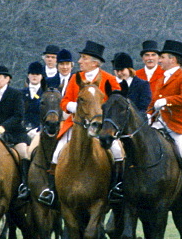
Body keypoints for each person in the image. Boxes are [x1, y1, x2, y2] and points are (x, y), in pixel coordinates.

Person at [37, 41, 122, 207]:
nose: (80, 61)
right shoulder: (76, 78)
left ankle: (117, 186)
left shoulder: (109, 79)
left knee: (118, 151)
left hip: (102, 125)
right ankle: (52, 190)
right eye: (81, 58)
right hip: (76, 124)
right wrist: (74, 107)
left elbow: (117, 102)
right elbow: (64, 101)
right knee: (57, 151)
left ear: (94, 62)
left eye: (84, 58)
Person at [147, 40, 182, 201]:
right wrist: (149, 113)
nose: (159, 60)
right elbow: (153, 101)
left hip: (177, 124)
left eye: (162, 57)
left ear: (173, 59)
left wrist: (167, 101)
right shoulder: (160, 78)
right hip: (157, 122)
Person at [0, 65, 30, 199]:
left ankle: (24, 185)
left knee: (23, 154)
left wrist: (3, 127)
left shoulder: (16, 94)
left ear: (7, 79)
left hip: (15, 134)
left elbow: (18, 115)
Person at [21, 61, 44, 137]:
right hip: (22, 130)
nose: (34, 76)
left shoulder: (45, 94)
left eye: (37, 74)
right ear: (28, 75)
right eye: (32, 74)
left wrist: (38, 129)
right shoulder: (20, 93)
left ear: (41, 76)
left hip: (39, 131)